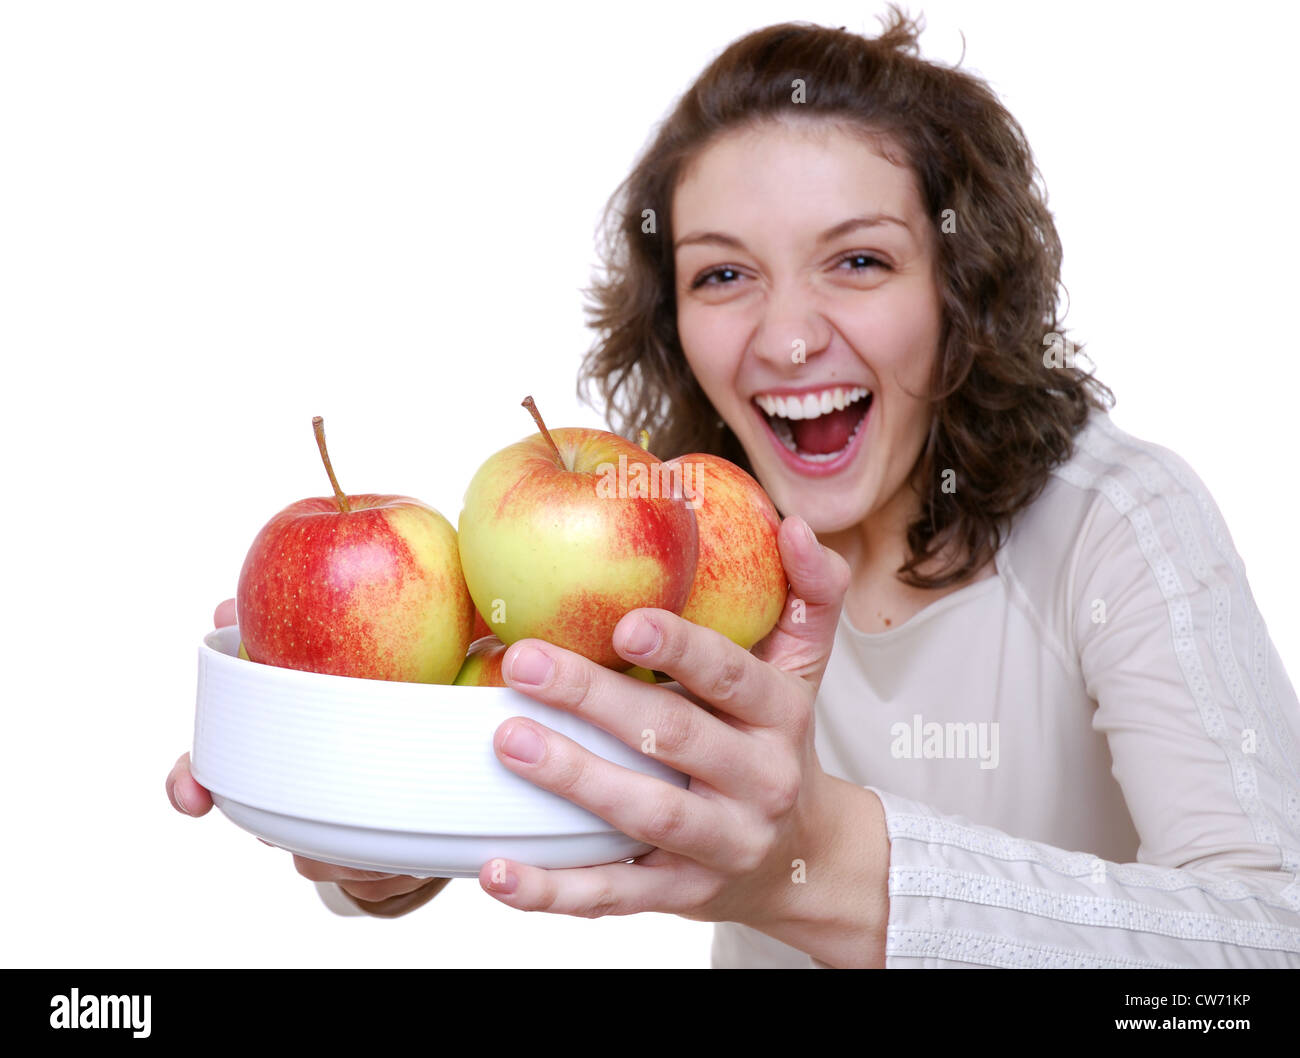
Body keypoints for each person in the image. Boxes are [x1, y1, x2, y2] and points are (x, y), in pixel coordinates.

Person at [166, 9, 1300, 967]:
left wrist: (825, 865)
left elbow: (1269, 941)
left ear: (963, 290)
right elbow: (502, 729)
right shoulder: (660, 542)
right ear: (672, 320)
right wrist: (369, 822)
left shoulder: (1119, 521)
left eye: (858, 259)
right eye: (722, 274)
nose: (790, 337)